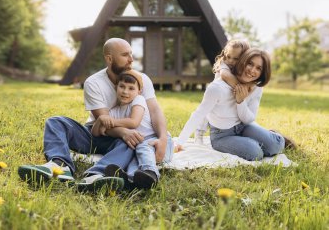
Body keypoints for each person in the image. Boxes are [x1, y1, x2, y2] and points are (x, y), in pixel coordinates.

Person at [18, 38, 171, 191]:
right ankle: (59, 166)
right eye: (125, 55)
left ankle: (96, 175)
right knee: (56, 122)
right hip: (99, 135)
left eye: (131, 54)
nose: (131, 59)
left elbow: (155, 110)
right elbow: (103, 122)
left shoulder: (141, 80)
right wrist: (124, 132)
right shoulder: (93, 82)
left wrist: (163, 138)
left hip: (123, 141)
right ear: (109, 59)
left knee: (132, 138)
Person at [177, 48, 295, 161]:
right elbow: (198, 114)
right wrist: (180, 142)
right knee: (255, 153)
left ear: (262, 73)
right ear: (242, 61)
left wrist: (240, 101)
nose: (252, 70)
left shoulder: (256, 88)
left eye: (258, 68)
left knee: (276, 146)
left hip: (243, 126)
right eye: (250, 64)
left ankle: (270, 136)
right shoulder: (217, 88)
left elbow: (249, 119)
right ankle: (252, 142)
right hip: (222, 135)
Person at [87, 69, 173, 189]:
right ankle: (131, 180)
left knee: (143, 147)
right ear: (116, 87)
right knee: (134, 156)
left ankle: (151, 173)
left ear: (139, 91)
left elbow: (134, 122)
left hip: (158, 142)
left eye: (131, 88)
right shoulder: (114, 111)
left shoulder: (139, 100)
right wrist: (101, 119)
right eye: (122, 86)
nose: (125, 91)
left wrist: (112, 122)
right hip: (139, 144)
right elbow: (96, 133)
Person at [194, 39, 251, 144]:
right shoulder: (224, 65)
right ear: (225, 55)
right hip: (216, 96)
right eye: (228, 57)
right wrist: (241, 88)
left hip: (228, 100)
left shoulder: (243, 69)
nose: (230, 61)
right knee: (207, 112)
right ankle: (199, 133)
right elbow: (225, 75)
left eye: (235, 59)